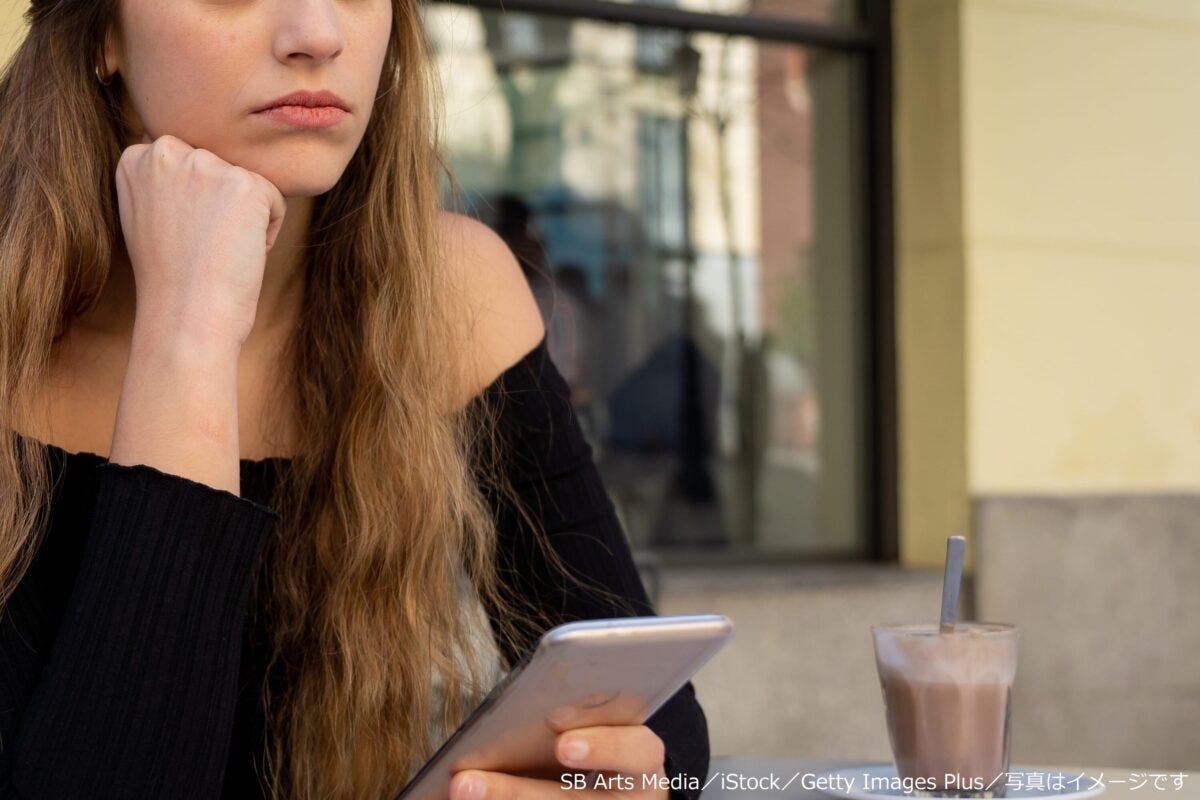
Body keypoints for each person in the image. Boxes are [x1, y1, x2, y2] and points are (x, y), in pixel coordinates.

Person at [0, 1, 710, 799]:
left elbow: (655, 711)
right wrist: (189, 331)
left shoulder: (449, 297)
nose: (319, 34)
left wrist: (589, 779)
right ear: (102, 33)